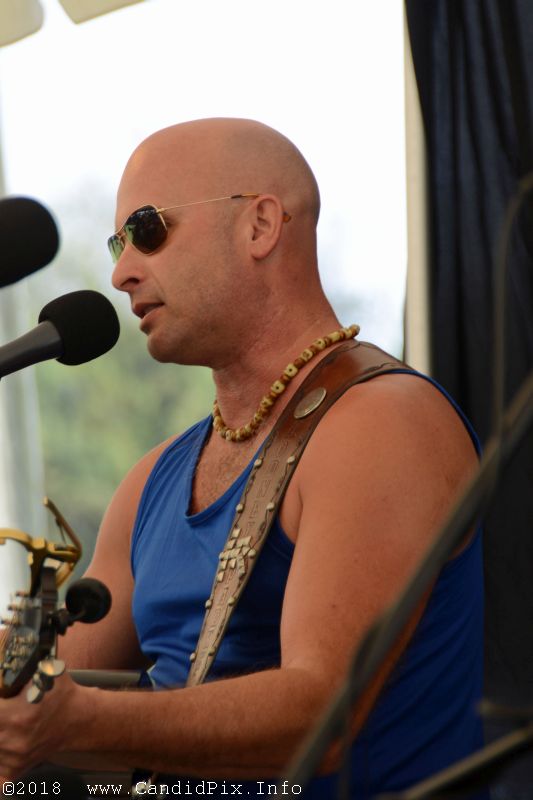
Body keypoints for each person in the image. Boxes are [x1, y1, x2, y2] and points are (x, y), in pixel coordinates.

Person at [0, 118, 486, 799]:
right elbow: (39, 688)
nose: (120, 272)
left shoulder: (383, 423)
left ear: (259, 226)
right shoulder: (150, 482)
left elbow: (322, 714)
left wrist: (77, 721)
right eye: (117, 243)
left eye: (147, 229)